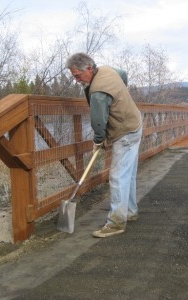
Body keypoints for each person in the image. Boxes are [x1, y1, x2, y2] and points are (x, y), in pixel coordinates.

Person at [65, 53, 142, 238]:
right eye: (74, 76)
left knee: (117, 177)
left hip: (125, 131)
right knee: (128, 175)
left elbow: (98, 122)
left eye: (78, 76)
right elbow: (123, 74)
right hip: (135, 123)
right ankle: (129, 211)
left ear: (89, 69)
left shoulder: (99, 92)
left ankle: (116, 223)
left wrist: (98, 141)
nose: (77, 80)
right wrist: (120, 93)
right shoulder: (107, 70)